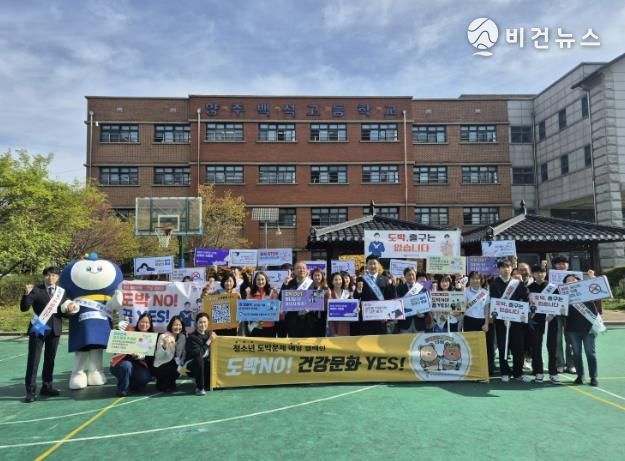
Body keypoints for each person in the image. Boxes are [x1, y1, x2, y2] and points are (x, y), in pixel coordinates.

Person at [20, 266, 77, 403]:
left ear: (57, 278)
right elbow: (24, 308)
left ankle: (47, 386)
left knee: (50, 360)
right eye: (48, 275)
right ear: (43, 276)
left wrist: (70, 310)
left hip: (55, 329)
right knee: (34, 360)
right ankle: (30, 391)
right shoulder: (36, 290)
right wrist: (26, 294)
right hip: (38, 328)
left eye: (54, 275)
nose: (51, 278)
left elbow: (62, 312)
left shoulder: (61, 292)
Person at [489, 259, 531, 383]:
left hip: (517, 320)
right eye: (503, 267)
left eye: (508, 267)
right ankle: (505, 372)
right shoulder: (494, 283)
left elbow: (525, 297)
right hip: (501, 321)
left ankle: (518, 372)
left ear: (511, 268)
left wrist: (523, 283)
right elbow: (494, 301)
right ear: (499, 269)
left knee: (518, 347)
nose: (505, 269)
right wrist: (503, 316)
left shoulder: (517, 282)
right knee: (503, 346)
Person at [563, 274, 600, 386]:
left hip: (588, 328)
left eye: (573, 280)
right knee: (576, 353)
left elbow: (598, 290)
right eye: (568, 281)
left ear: (579, 282)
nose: (571, 282)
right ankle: (580, 375)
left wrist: (593, 278)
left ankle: (593, 377)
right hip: (572, 329)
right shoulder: (563, 296)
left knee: (590, 353)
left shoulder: (587, 293)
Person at [527, 265, 559, 384]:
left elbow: (559, 303)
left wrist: (553, 314)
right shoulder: (529, 288)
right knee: (536, 347)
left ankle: (553, 373)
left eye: (542, 272)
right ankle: (538, 372)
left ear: (545, 273)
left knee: (552, 347)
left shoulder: (553, 287)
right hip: (535, 321)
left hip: (551, 321)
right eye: (537, 272)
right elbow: (526, 306)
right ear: (533, 274)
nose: (540, 274)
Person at [110, 313, 154, 397]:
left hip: (137, 365)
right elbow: (119, 332)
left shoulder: (150, 337)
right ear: (138, 322)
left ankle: (131, 384)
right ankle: (122, 390)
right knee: (126, 366)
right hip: (120, 363)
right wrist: (123, 324)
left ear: (150, 324)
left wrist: (139, 356)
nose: (144, 324)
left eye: (147, 322)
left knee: (144, 378)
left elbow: (148, 356)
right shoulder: (130, 330)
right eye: (142, 322)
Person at [352, 255, 396, 335]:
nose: (372, 266)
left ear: (378, 265)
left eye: (374, 263)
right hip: (366, 319)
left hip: (381, 318)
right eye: (370, 264)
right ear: (367, 265)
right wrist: (358, 290)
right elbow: (356, 297)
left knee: (381, 341)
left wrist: (387, 315)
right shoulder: (361, 279)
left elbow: (389, 298)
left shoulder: (385, 280)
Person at [463, 271, 494, 375]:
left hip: (482, 321)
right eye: (473, 278)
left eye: (477, 278)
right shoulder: (465, 291)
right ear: (469, 280)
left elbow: (487, 308)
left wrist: (486, 323)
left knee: (486, 346)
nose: (475, 280)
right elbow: (462, 307)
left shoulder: (485, 292)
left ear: (481, 280)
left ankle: (487, 369)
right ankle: (472, 369)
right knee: (471, 345)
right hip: (469, 320)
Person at [153, 315, 186, 392]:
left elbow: (184, 353)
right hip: (162, 365)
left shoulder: (182, 337)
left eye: (179, 325)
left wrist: (183, 365)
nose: (178, 327)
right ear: (171, 325)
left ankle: (172, 380)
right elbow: (158, 356)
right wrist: (164, 345)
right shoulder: (163, 336)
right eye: (175, 325)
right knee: (163, 387)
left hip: (177, 365)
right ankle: (160, 381)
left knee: (182, 370)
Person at [186, 312, 217, 395]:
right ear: (196, 323)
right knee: (199, 359)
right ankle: (200, 388)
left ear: (208, 323)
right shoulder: (191, 337)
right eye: (200, 322)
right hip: (192, 365)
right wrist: (209, 341)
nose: (203, 324)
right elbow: (199, 354)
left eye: (205, 322)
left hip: (205, 364)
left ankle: (207, 383)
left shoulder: (210, 334)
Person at [245, 271, 278, 337]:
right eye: (258, 280)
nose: (260, 282)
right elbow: (247, 309)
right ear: (255, 281)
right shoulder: (250, 292)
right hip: (254, 326)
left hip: (269, 326)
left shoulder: (272, 292)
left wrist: (275, 295)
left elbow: (275, 309)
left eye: (262, 279)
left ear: (266, 280)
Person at [396, 267, 429, 333]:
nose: (411, 277)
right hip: (405, 324)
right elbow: (396, 305)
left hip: (419, 323)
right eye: (409, 275)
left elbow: (427, 304)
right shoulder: (399, 288)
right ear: (405, 276)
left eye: (413, 275)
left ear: (415, 275)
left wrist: (424, 314)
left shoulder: (422, 289)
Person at [327, 272, 353, 336]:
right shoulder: (328, 293)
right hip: (332, 323)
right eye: (335, 280)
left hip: (344, 324)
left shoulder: (347, 293)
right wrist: (328, 299)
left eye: (340, 279)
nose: (338, 282)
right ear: (332, 282)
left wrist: (356, 309)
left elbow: (352, 308)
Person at [218, 272, 241, 336]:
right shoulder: (217, 292)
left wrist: (237, 322)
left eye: (230, 281)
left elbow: (240, 310)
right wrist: (204, 292)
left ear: (234, 282)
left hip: (232, 326)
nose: (228, 283)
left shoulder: (237, 294)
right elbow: (206, 299)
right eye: (226, 281)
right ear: (223, 282)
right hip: (219, 325)